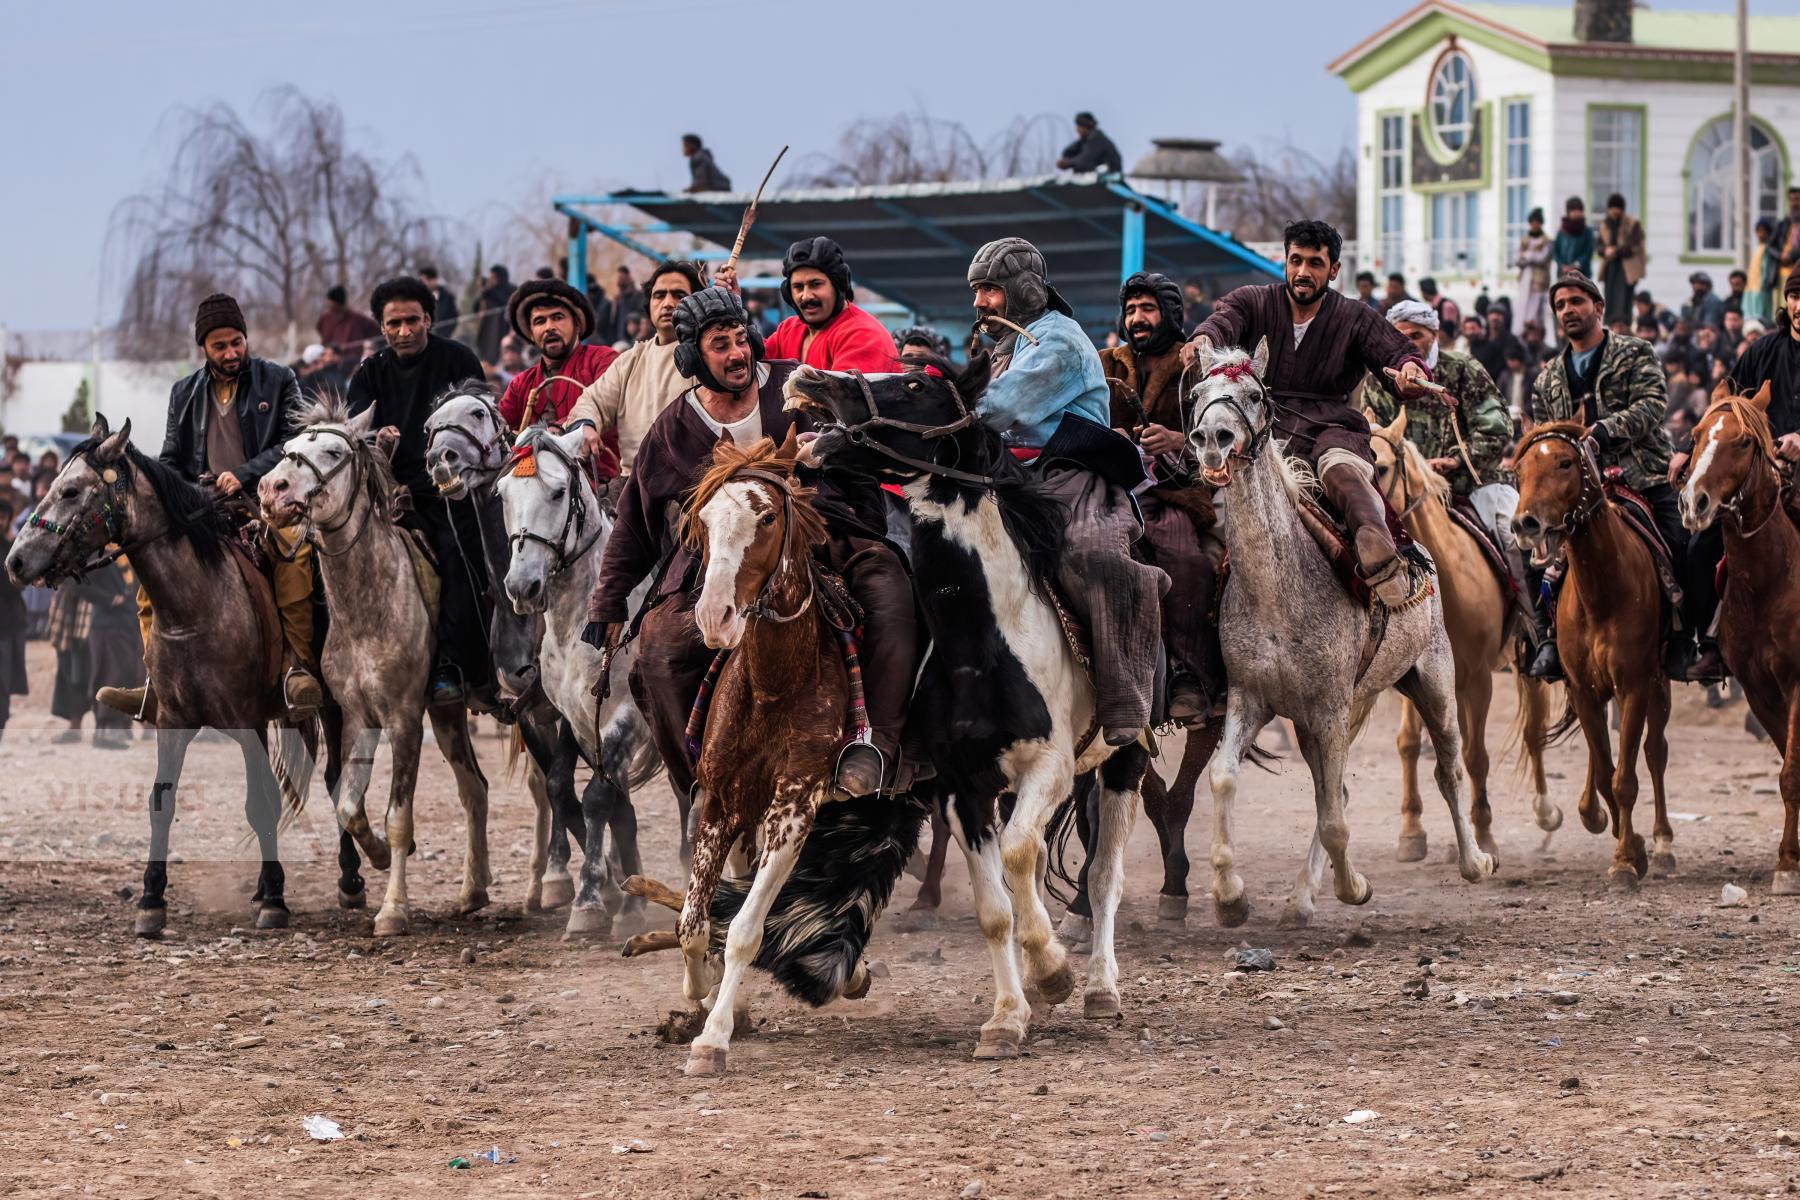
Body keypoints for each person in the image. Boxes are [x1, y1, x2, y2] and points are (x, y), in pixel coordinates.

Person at [584, 286, 915, 798]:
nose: (737, 353)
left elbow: (859, 467)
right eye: (721, 344)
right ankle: (698, 782)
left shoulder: (798, 388)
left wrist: (840, 495)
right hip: (716, 561)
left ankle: (877, 750)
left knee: (889, 585)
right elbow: (635, 519)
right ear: (694, 356)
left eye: (741, 339)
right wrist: (608, 601)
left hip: (820, 536)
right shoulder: (674, 426)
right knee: (659, 649)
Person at [968, 237, 1163, 744]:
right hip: (1005, 476)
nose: (978, 304)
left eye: (988, 290)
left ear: (1024, 291)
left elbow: (997, 410)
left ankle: (1125, 694)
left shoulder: (1059, 341)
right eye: (976, 292)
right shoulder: (1004, 346)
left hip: (1068, 474)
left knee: (1092, 551)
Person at [1187, 218, 1433, 607]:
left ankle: (1379, 552)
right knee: (1207, 493)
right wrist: (1205, 337)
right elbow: (1223, 320)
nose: (1303, 272)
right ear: (1284, 262)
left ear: (1334, 269)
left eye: (1315, 263)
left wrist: (1410, 369)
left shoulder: (1356, 316)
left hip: (1331, 427)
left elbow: (1397, 352)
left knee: (1342, 473)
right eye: (1296, 260)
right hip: (1263, 428)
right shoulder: (1254, 300)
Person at [100, 293, 320, 723]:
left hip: (267, 503)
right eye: (220, 346)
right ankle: (155, 683)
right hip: (204, 512)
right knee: (150, 584)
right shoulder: (183, 391)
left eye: (236, 342)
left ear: (245, 338)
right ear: (203, 347)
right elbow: (170, 460)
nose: (231, 352)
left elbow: (293, 442)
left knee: (294, 558)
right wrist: (185, 495)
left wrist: (246, 473)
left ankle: (296, 668)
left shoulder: (279, 380)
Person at [1526, 272, 1720, 682]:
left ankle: (1688, 640)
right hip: (1574, 490)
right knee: (1533, 550)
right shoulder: (1546, 378)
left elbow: (1653, 405)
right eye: (1560, 305)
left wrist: (1605, 430)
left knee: (1685, 543)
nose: (1568, 310)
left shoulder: (1635, 352)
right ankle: (1546, 639)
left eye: (1576, 301)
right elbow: (1545, 437)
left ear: (1597, 307)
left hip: (1642, 473)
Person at [346, 275, 493, 707]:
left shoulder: (458, 361)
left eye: (413, 320)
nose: (404, 331)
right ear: (381, 327)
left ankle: (457, 664)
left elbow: (482, 422)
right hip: (390, 497)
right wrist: (378, 441)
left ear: (428, 319)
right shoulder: (369, 373)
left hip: (452, 496)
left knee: (460, 558)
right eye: (394, 323)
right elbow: (355, 432)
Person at [1359, 301, 1532, 644]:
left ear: (1435, 335)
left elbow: (1497, 429)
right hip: (1401, 491)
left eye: (1417, 335)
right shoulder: (1379, 382)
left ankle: (1537, 631)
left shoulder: (1463, 369)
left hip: (1472, 486)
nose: (1408, 342)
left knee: (1515, 539)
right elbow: (1372, 434)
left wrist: (1453, 461)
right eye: (1399, 335)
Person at [1099, 271, 1225, 724]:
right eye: (1131, 310)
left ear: (1170, 315)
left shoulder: (1196, 372)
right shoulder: (1103, 364)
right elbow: (1073, 425)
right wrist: (1104, 439)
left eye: (1147, 309)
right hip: (1108, 492)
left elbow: (1221, 447)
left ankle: (1189, 675)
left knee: (1186, 559)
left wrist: (1178, 441)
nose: (1137, 318)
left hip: (1171, 496)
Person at [566, 260, 706, 475]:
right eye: (659, 295)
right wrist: (584, 425)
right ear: (648, 305)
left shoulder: (711, 355)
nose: (668, 303)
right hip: (634, 485)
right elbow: (592, 401)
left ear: (697, 303)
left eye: (678, 295)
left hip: (697, 487)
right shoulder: (629, 361)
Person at [727, 237, 896, 373]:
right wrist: (730, 307)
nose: (806, 296)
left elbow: (842, 404)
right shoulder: (788, 331)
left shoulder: (863, 334)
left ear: (838, 285)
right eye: (798, 287)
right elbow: (752, 362)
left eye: (816, 284)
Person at [497, 279, 619, 463]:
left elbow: (607, 405)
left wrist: (559, 429)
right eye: (540, 321)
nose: (549, 327)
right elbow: (498, 431)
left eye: (558, 317)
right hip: (532, 485)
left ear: (577, 323)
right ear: (531, 333)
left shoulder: (603, 360)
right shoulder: (520, 384)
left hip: (600, 483)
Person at [1725, 271, 1800, 449]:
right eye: (1794, 297)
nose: (1799, 308)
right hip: (1763, 464)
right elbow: (1726, 402)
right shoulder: (1762, 350)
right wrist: (1688, 450)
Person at [79, 559, 144, 749]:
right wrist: (109, 599)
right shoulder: (99, 557)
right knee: (110, 674)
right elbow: (79, 585)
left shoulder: (127, 555)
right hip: (106, 625)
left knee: (126, 673)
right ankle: (108, 728)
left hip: (128, 622)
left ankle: (115, 726)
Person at [1595, 193, 1645, 327]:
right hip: (1610, 267)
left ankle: (1623, 326)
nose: (1614, 211)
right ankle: (1611, 325)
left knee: (1624, 301)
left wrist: (1615, 251)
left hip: (1627, 268)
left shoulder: (1632, 223)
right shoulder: (1605, 224)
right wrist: (1605, 250)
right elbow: (1599, 245)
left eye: (1617, 208)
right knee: (1610, 298)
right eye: (1612, 208)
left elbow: (1635, 246)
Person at [0, 495, 26, 742]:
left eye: (3, 517)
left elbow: (18, 580)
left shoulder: (12, 549)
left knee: (3, 682)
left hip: (7, 626)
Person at [1514, 208, 1553, 341]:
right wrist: (1526, 256)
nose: (1534, 225)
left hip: (1539, 280)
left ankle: (1536, 335)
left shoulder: (1546, 240)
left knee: (1536, 310)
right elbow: (1517, 258)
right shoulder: (1524, 239)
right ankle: (1522, 333)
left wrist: (1527, 255)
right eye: (1532, 222)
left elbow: (1542, 257)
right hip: (1525, 279)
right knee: (1522, 308)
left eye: (1537, 222)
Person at [317, 284, 379, 354]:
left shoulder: (357, 318)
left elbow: (376, 331)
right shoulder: (325, 318)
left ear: (339, 304)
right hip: (328, 358)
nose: (329, 307)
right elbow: (320, 330)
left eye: (332, 305)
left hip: (352, 360)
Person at [1056, 112, 1123, 174]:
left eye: (1079, 127)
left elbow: (1085, 159)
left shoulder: (1096, 138)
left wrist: (1069, 163)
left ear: (1085, 127)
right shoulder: (1085, 140)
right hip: (1100, 173)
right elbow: (1068, 152)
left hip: (1110, 173)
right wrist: (1065, 161)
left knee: (1081, 167)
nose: (1077, 130)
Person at [476, 265, 515, 364]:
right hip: (487, 333)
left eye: (493, 277)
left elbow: (506, 303)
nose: (490, 279)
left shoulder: (511, 290)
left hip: (503, 330)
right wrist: (485, 290)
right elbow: (476, 308)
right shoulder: (487, 292)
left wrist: (490, 291)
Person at [1552, 197, 1595, 281]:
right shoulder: (1561, 231)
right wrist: (1563, 265)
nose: (1576, 212)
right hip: (1563, 273)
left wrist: (1574, 265)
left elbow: (1588, 252)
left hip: (1582, 274)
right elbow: (1555, 250)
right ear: (1568, 212)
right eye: (1573, 209)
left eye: (1579, 209)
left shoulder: (1587, 231)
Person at [1747, 218, 1778, 322]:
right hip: (1752, 287)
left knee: (1762, 316)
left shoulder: (1768, 249)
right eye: (1758, 231)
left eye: (1763, 231)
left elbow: (1766, 269)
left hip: (1762, 288)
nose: (1760, 234)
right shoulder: (1757, 248)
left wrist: (1764, 284)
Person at [417, 266, 461, 338]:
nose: (422, 284)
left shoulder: (447, 297)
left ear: (433, 280)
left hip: (442, 337)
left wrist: (445, 334)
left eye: (424, 281)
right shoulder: (418, 297)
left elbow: (454, 317)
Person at [1419, 278, 1460, 349]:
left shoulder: (1446, 305)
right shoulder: (1433, 306)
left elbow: (1449, 329)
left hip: (1450, 345)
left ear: (1424, 292)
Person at [611, 265, 647, 343]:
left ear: (628, 278)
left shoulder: (638, 295)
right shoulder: (617, 299)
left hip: (633, 341)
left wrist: (632, 320)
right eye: (618, 278)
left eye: (621, 277)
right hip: (616, 340)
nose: (618, 280)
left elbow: (643, 315)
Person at [1775, 187, 1800, 296]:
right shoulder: (1784, 223)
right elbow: (1770, 245)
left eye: (1797, 199)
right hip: (1783, 271)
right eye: (1791, 200)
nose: (1794, 203)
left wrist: (1790, 256)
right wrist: (1780, 256)